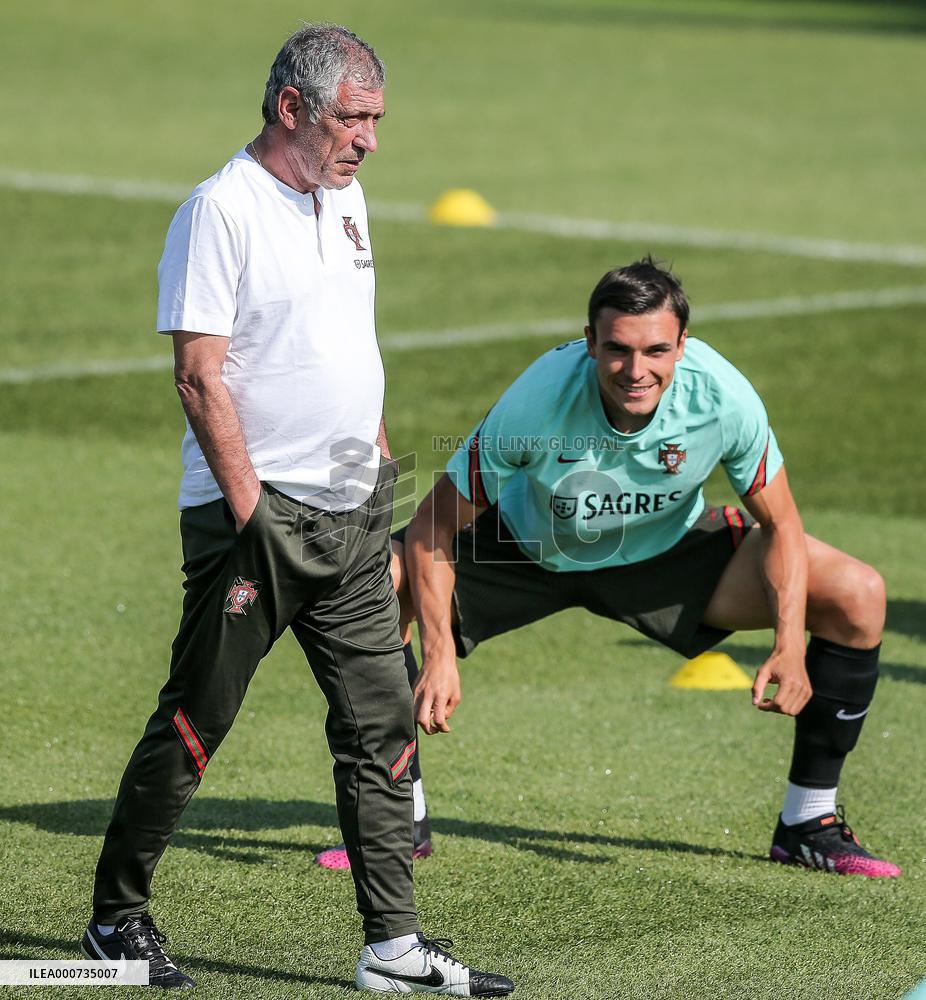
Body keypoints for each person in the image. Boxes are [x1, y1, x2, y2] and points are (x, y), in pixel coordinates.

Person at [80, 24, 514, 996]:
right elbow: (198, 377)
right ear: (291, 109)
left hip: (355, 518)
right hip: (258, 524)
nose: (367, 139)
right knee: (196, 723)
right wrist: (253, 516)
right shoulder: (219, 210)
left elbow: (347, 353)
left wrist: (387, 489)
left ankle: (392, 948)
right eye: (352, 118)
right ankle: (115, 917)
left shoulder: (347, 198)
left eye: (374, 120)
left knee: (381, 722)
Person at [318, 257, 899, 881]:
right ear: (590, 343)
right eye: (617, 350)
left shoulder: (723, 398)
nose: (636, 370)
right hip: (525, 547)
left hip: (664, 553)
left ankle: (807, 822)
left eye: (655, 350)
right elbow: (432, 526)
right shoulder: (539, 401)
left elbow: (782, 525)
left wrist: (789, 645)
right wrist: (438, 652)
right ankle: (396, 819)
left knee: (857, 593)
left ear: (683, 346)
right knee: (378, 583)